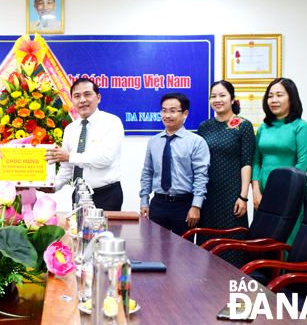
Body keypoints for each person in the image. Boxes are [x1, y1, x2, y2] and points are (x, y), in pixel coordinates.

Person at [196, 81, 255, 266]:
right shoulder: (204, 127)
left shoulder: (243, 126)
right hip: (208, 196)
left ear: (232, 98)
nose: (217, 99)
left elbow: (247, 163)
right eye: (213, 96)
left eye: (222, 95)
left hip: (232, 196)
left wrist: (243, 197)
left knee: (231, 246)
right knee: (206, 250)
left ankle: (232, 290)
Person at [45, 78, 125, 211]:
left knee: (104, 232)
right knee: (77, 231)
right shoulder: (70, 129)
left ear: (98, 98)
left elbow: (105, 159)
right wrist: (54, 186)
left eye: (87, 94)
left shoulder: (112, 122)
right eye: (77, 96)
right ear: (72, 101)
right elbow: (66, 168)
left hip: (106, 195)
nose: (82, 100)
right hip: (78, 195)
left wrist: (70, 156)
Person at [140, 93, 210, 236]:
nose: (167, 115)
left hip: (184, 205)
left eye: (173, 111)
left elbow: (201, 176)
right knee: (154, 249)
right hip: (158, 203)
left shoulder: (196, 142)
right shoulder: (154, 141)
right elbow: (147, 172)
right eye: (164, 110)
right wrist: (144, 201)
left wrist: (196, 206)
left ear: (185, 113)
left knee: (183, 252)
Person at [252, 78, 307, 246]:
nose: (274, 100)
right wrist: (256, 191)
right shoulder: (264, 127)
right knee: (263, 239)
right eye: (270, 96)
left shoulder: (300, 126)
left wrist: (286, 192)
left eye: (279, 95)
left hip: (290, 193)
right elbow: (256, 161)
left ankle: (286, 273)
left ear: (291, 99)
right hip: (263, 193)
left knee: (286, 240)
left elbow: (303, 164)